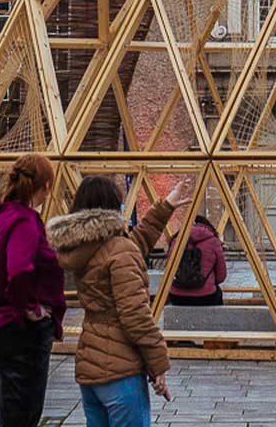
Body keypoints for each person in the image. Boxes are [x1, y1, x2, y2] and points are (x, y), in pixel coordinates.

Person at [46, 175, 194, 427]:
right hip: (120, 372)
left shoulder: (87, 247)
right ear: (113, 206)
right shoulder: (118, 250)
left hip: (90, 369)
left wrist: (166, 205)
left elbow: (135, 243)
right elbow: (135, 315)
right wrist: (158, 364)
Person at [0, 153, 66, 427]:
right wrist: (30, 308)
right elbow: (20, 268)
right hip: (21, 333)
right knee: (21, 415)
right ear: (46, 186)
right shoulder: (24, 221)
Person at [168, 215, 227, 306]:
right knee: (217, 292)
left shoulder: (177, 240)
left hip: (177, 296)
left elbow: (170, 271)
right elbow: (221, 276)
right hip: (206, 296)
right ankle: (216, 320)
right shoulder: (213, 241)